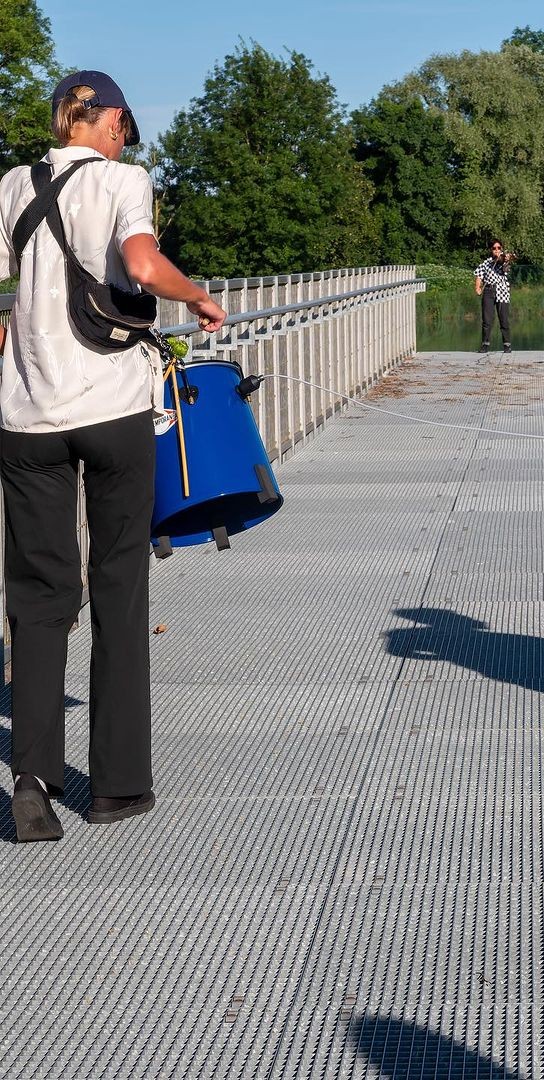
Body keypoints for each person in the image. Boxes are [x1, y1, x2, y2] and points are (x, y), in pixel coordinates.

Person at [0, 70, 226, 842]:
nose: (125, 138)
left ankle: (32, 778)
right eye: (122, 124)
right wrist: (197, 297)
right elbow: (142, 265)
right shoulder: (125, 180)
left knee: (38, 594)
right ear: (107, 120)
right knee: (119, 584)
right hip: (112, 411)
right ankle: (117, 787)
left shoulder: (12, 185)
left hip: (26, 417)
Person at [473, 239, 512, 353]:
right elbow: (479, 275)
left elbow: (506, 269)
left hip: (502, 290)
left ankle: (507, 344)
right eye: (494, 248)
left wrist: (507, 259)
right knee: (487, 319)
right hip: (488, 290)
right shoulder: (486, 263)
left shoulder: (504, 260)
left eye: (499, 248)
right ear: (491, 249)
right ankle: (485, 344)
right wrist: (477, 287)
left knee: (503, 319)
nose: (497, 250)